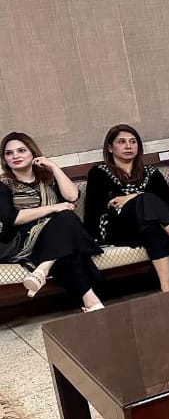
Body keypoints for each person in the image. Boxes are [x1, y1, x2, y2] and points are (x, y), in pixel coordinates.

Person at [1, 133, 103, 310]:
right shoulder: (3, 185)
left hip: (53, 239)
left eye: (21, 150)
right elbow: (13, 219)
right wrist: (54, 208)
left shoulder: (47, 179)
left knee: (65, 238)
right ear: (4, 159)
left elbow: (72, 196)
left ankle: (44, 271)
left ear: (33, 153)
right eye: (9, 153)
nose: (15, 156)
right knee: (67, 220)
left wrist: (53, 167)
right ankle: (47, 268)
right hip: (22, 242)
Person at [82, 124, 169, 292]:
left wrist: (133, 196)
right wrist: (140, 198)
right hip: (119, 228)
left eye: (133, 142)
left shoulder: (151, 172)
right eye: (122, 142)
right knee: (147, 200)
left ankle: (167, 287)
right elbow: (98, 210)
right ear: (110, 148)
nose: (128, 146)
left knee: (152, 226)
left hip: (149, 226)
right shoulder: (98, 173)